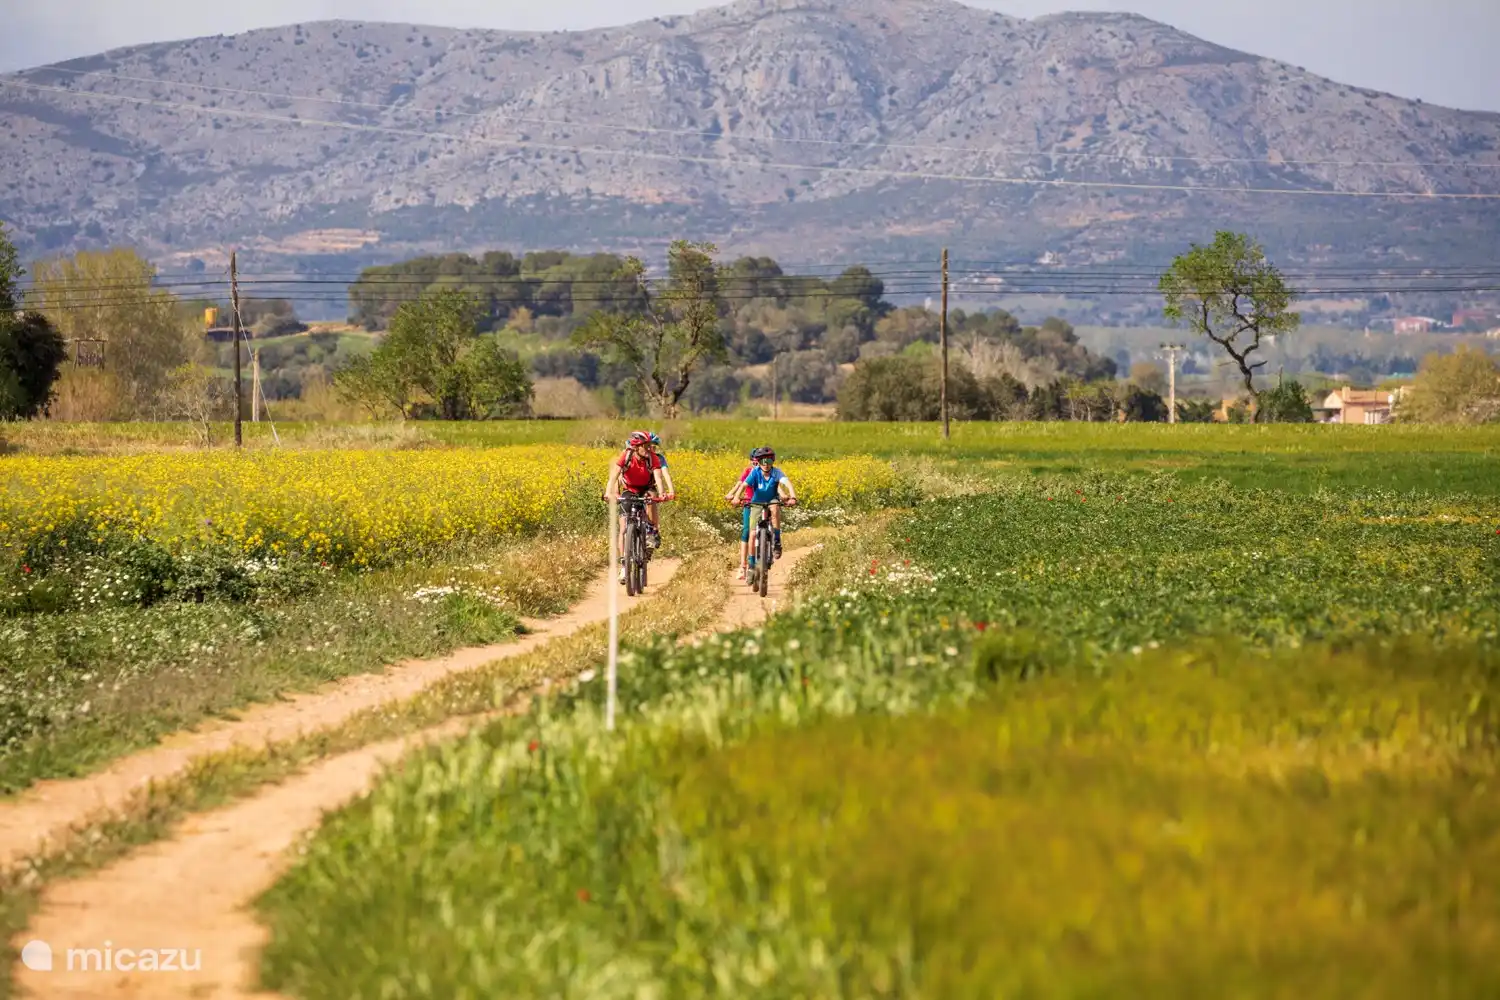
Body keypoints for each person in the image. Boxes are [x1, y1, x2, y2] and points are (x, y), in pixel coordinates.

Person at [604, 431, 673, 583]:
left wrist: (661, 493)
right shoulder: (626, 456)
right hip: (630, 489)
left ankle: (650, 532)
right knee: (623, 528)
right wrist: (609, 493)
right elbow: (614, 474)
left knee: (650, 499)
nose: (649, 449)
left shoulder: (653, 458)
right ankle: (624, 567)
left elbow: (658, 477)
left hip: (647, 487)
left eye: (650, 446)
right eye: (646, 446)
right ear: (636, 447)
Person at [725, 446, 796, 579]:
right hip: (755, 502)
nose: (765, 464)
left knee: (775, 507)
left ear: (772, 462)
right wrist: (735, 497)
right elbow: (743, 485)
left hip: (771, 500)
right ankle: (750, 565)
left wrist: (792, 496)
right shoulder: (754, 472)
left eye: (768, 461)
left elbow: (785, 483)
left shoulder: (776, 472)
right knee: (751, 534)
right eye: (761, 461)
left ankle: (777, 541)